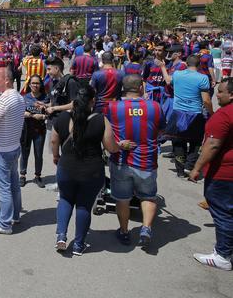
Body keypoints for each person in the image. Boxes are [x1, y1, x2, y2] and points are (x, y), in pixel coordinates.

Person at [50, 85, 134, 255]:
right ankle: (79, 245)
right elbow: (110, 147)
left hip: (66, 168)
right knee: (83, 206)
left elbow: (53, 141)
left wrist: (56, 156)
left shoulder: (62, 118)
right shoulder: (101, 120)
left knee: (65, 200)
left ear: (74, 102)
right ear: (93, 101)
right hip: (92, 172)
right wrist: (122, 145)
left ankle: (61, 236)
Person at [107, 75, 165, 248]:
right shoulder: (154, 106)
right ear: (141, 87)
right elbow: (161, 128)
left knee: (122, 199)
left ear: (123, 88)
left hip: (121, 161)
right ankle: (146, 228)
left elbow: (106, 131)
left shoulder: (113, 107)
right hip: (147, 160)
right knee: (148, 196)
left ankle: (124, 232)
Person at [190, 78, 233, 271]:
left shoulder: (223, 115)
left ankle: (223, 255)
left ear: (231, 94)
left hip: (223, 174)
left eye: (221, 92)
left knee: (223, 213)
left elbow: (213, 144)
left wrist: (197, 167)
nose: (217, 95)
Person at [0, 67, 25, 234]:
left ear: (6, 80)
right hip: (14, 146)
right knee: (14, 184)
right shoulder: (18, 96)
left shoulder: (2, 101)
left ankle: (4, 224)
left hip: (2, 150)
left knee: (3, 188)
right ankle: (14, 215)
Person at [167, 55, 213, 176]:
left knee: (178, 142)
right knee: (196, 141)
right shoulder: (203, 78)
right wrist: (212, 113)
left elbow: (168, 80)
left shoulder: (177, 74)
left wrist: (162, 66)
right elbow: (206, 100)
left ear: (186, 64)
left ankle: (180, 170)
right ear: (198, 66)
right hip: (195, 114)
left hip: (177, 113)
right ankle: (189, 166)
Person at [20, 74, 48, 188]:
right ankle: (22, 175)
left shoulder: (45, 98)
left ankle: (38, 176)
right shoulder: (24, 97)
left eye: (37, 83)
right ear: (29, 84)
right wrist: (29, 114)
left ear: (41, 84)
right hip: (26, 129)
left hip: (40, 130)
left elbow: (49, 113)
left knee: (38, 153)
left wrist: (44, 116)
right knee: (24, 153)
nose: (35, 85)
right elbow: (18, 112)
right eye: (33, 83)